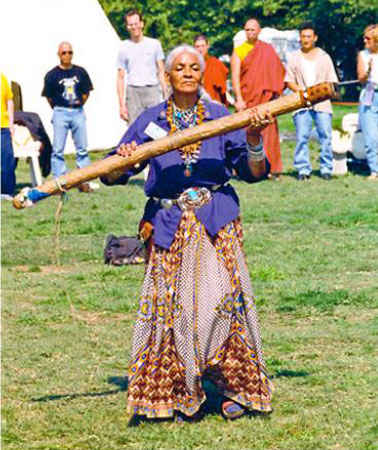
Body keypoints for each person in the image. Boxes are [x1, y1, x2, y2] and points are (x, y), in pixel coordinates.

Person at [102, 45, 273, 422]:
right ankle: (179, 391)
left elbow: (253, 171)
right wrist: (125, 158)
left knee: (224, 303)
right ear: (168, 75)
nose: (187, 72)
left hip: (215, 221)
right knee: (171, 309)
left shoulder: (220, 116)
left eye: (194, 67)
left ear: (202, 73)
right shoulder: (150, 121)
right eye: (179, 67)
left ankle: (235, 387)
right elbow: (111, 175)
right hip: (168, 225)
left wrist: (255, 139)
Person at [231, 18, 285, 180]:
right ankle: (244, 169)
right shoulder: (239, 51)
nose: (250, 32)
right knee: (245, 134)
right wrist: (239, 99)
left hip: (266, 101)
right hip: (248, 101)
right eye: (247, 30)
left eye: (253, 29)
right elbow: (235, 77)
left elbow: (278, 72)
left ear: (259, 31)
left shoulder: (267, 49)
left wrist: (275, 95)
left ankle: (271, 169)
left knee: (269, 133)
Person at [285, 22, 339, 181]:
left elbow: (332, 80)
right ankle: (303, 169)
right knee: (302, 136)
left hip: (322, 103)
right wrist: (302, 93)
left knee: (325, 136)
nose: (305, 39)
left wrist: (321, 93)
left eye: (309, 36)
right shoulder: (294, 57)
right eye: (303, 36)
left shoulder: (324, 57)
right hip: (302, 103)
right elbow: (289, 80)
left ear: (315, 38)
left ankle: (326, 168)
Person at [42, 41, 94, 192]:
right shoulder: (52, 75)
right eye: (64, 52)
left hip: (77, 111)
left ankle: (84, 180)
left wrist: (78, 104)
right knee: (58, 149)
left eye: (70, 52)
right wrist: (59, 108)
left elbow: (86, 92)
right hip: (60, 112)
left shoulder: (80, 72)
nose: (67, 55)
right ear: (59, 54)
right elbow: (49, 97)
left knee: (82, 148)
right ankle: (59, 182)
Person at [116, 9, 168, 124]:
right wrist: (121, 105)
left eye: (136, 23)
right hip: (133, 93)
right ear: (127, 27)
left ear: (142, 24)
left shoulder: (154, 44)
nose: (134, 27)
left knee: (156, 127)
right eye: (130, 25)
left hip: (152, 90)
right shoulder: (124, 47)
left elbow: (161, 71)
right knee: (135, 128)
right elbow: (120, 77)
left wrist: (166, 94)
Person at [357, 24, 378, 181]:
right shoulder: (363, 55)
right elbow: (361, 79)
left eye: (368, 38)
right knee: (371, 136)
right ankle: (375, 170)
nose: (364, 40)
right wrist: (369, 70)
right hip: (369, 94)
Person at [194, 34, 229, 105]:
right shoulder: (190, 65)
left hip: (214, 103)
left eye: (203, 46)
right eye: (197, 46)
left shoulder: (215, 63)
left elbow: (222, 90)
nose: (200, 49)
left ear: (208, 46)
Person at [1, 73, 16, 200]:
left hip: (3, 126)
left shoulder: (2, 78)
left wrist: (11, 123)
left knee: (7, 161)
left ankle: (7, 191)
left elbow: (9, 101)